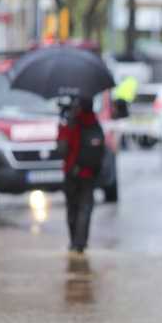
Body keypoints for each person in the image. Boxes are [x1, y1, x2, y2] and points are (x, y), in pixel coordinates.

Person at [58, 98, 106, 254]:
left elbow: (61, 149)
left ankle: (74, 241)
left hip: (72, 172)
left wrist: (61, 126)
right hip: (89, 173)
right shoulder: (94, 123)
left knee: (73, 208)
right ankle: (82, 241)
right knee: (85, 208)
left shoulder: (73, 124)